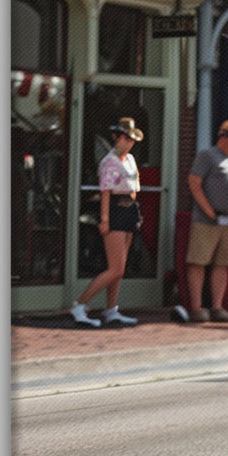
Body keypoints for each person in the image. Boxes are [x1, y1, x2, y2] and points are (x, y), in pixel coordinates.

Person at [70, 116, 146, 327]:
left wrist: (134, 212)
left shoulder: (130, 160)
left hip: (129, 209)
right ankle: (80, 304)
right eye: (125, 137)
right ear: (117, 137)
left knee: (120, 266)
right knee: (115, 268)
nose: (128, 142)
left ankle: (111, 309)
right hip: (113, 210)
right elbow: (105, 192)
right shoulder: (108, 162)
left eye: (131, 139)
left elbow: (134, 186)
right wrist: (105, 220)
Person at [181, 119, 228, 322]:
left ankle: (217, 307)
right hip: (207, 220)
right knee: (198, 262)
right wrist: (209, 211)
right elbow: (194, 182)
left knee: (222, 264)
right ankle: (196, 307)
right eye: (226, 135)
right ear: (220, 136)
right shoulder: (207, 155)